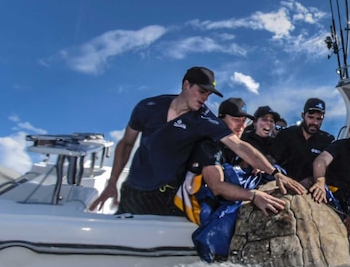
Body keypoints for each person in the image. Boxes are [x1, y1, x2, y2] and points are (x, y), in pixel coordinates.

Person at [89, 66, 303, 215]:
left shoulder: (204, 119)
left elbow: (240, 146)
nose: (204, 98)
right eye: (201, 91)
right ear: (185, 85)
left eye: (208, 95)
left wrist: (273, 173)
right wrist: (111, 183)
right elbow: (126, 144)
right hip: (133, 190)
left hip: (167, 196)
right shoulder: (148, 107)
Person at [180, 97, 293, 261]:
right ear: (221, 119)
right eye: (235, 120)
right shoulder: (209, 145)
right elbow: (216, 186)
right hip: (202, 198)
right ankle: (217, 255)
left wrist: (256, 167)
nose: (241, 125)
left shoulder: (237, 143)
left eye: (243, 121)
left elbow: (247, 157)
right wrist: (253, 195)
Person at [269, 97, 335, 189]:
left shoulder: (328, 140)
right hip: (281, 184)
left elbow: (330, 170)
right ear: (303, 115)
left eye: (319, 119)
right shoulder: (286, 134)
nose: (315, 122)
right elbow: (271, 159)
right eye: (311, 117)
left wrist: (312, 180)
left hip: (308, 189)